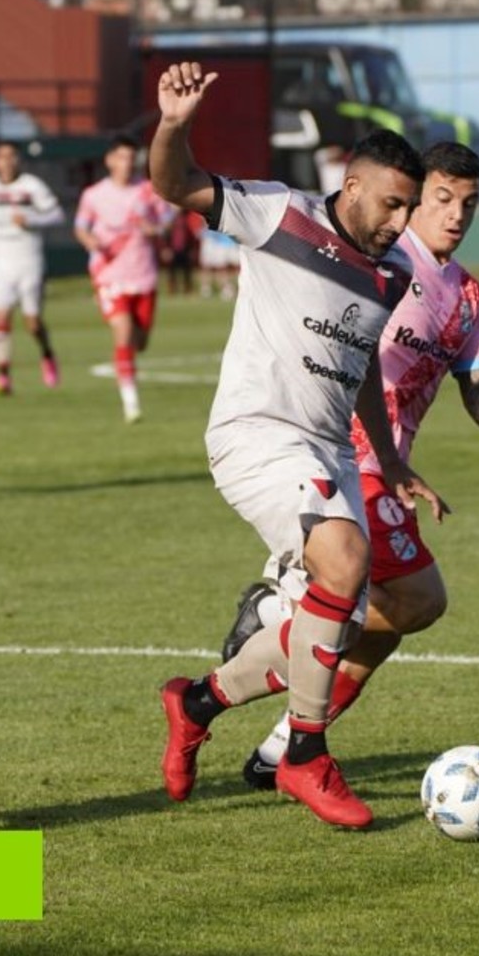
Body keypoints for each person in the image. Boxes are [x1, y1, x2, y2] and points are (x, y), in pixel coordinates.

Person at [221, 142, 479, 789]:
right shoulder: (379, 261)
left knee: (389, 624)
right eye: (440, 199)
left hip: (381, 466)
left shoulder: (467, 297)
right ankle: (283, 610)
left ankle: (279, 748)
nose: (454, 215)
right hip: (337, 452)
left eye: (467, 204)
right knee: (416, 598)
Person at [150, 61, 423, 829]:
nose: (400, 224)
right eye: (392, 204)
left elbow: (361, 360)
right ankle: (304, 756)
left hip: (328, 449)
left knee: (337, 616)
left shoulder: (392, 270)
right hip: (255, 433)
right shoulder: (278, 213)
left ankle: (195, 699)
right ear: (352, 181)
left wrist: (390, 455)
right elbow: (176, 186)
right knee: (343, 565)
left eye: (408, 208)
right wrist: (173, 125)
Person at [74, 135, 171, 423]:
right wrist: (89, 240)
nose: (127, 163)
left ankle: (130, 380)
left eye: (131, 158)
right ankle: (131, 404)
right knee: (124, 332)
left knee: (139, 342)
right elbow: (80, 226)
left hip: (143, 275)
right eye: (122, 157)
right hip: (108, 275)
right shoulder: (93, 195)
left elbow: (167, 220)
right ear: (110, 160)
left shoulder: (147, 192)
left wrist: (156, 229)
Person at [0, 140, 65, 395]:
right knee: (0, 319)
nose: (6, 162)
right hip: (0, 265)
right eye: (1, 157)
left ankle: (47, 354)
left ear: (18, 160)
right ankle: (3, 377)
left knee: (33, 324)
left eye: (11, 156)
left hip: (29, 262)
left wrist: (31, 219)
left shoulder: (32, 186)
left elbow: (57, 214)